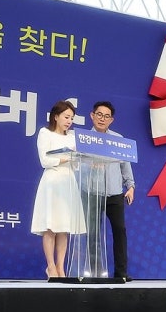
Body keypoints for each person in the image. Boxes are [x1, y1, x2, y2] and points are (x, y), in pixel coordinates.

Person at [30, 100, 87, 279]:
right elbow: (45, 161)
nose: (69, 121)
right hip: (52, 181)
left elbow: (77, 162)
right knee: (50, 226)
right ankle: (51, 267)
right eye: (66, 117)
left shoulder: (72, 137)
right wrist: (64, 159)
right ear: (56, 116)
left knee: (64, 227)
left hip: (68, 181)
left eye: (71, 118)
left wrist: (76, 159)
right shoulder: (45, 133)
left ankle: (61, 268)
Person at [87, 101, 135, 281]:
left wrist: (130, 186)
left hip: (115, 192)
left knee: (120, 231)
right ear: (92, 115)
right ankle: (95, 273)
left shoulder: (118, 139)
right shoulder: (84, 138)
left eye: (106, 116)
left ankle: (121, 273)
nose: (102, 119)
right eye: (99, 114)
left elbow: (125, 164)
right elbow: (78, 165)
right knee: (93, 234)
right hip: (91, 192)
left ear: (111, 120)